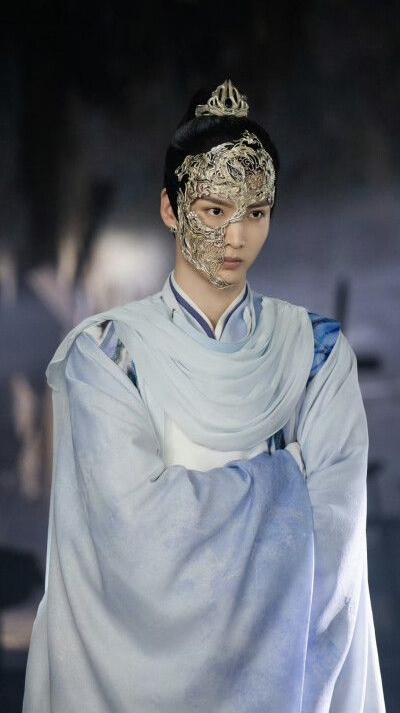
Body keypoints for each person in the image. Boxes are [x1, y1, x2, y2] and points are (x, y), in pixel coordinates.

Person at [23, 80, 385, 712]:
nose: (236, 236)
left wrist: (192, 500)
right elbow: (133, 539)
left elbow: (335, 539)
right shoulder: (108, 356)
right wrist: (288, 476)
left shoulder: (317, 354)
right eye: (215, 210)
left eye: (256, 212)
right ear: (170, 208)